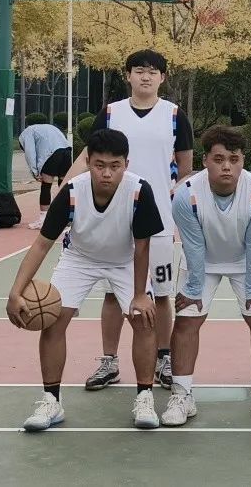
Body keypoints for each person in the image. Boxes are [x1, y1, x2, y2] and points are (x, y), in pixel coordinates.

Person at [5, 128, 163, 431]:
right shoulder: (72, 192)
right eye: (99, 165)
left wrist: (140, 295)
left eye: (115, 166)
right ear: (88, 162)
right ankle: (51, 400)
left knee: (143, 319)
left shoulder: (139, 191)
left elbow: (142, 247)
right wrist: (16, 291)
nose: (107, 173)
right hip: (80, 258)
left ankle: (145, 397)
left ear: (126, 164)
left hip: (124, 260)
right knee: (53, 320)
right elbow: (41, 244)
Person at [60, 49, 194, 391]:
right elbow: (88, 157)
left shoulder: (175, 115)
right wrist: (64, 191)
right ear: (128, 75)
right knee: (112, 296)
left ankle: (163, 357)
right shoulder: (111, 113)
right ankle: (109, 361)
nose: (145, 76)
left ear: (162, 77)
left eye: (152, 71)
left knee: (160, 295)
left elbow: (185, 167)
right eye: (139, 70)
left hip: (158, 221)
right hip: (113, 221)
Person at [161, 126, 251, 426]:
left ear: (243, 161)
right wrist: (193, 288)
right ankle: (182, 394)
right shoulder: (185, 196)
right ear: (205, 160)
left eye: (234, 159)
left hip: (247, 261)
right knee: (187, 319)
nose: (227, 166)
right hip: (201, 262)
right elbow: (193, 246)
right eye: (219, 159)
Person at [18, 121, 74, 230]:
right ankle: (66, 217)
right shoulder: (47, 127)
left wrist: (35, 172)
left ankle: (43, 220)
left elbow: (30, 153)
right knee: (64, 187)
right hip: (66, 151)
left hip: (52, 154)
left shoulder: (26, 133)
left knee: (46, 186)